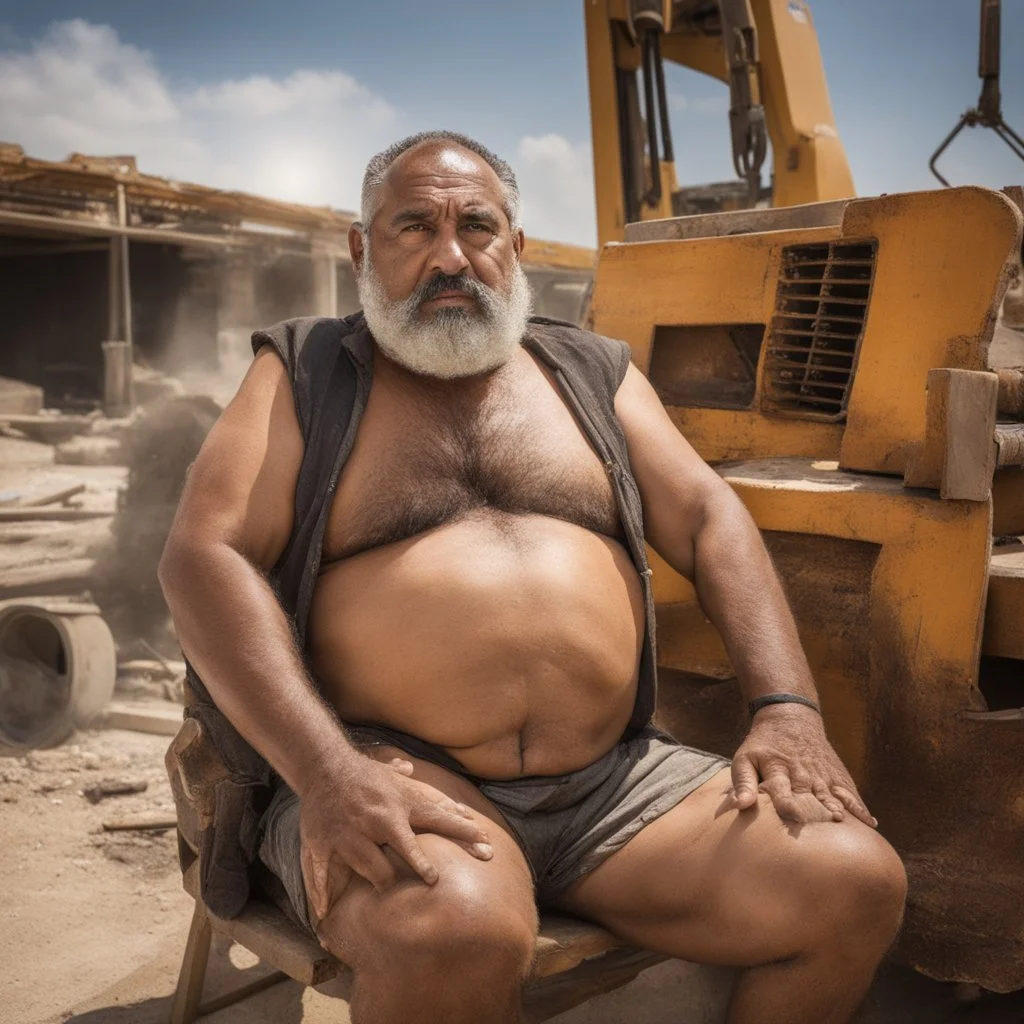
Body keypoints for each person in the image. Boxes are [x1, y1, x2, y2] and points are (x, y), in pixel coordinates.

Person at [159, 130, 906, 1024]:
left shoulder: (591, 370)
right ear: (361, 249)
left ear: (514, 245)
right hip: (391, 770)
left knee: (854, 882)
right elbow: (205, 556)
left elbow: (710, 521)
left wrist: (786, 708)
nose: (449, 257)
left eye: (477, 226)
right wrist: (324, 774)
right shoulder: (303, 370)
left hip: (615, 782)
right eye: (412, 228)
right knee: (451, 932)